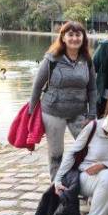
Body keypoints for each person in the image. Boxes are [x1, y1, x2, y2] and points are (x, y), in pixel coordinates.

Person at [29, 21, 97, 180]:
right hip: (53, 112)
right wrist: (31, 111)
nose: (74, 38)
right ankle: (56, 185)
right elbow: (37, 85)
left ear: (83, 38)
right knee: (56, 153)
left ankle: (84, 182)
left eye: (78, 34)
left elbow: (92, 89)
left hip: (79, 112)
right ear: (63, 38)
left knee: (88, 149)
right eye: (70, 35)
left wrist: (92, 113)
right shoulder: (51, 59)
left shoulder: (87, 60)